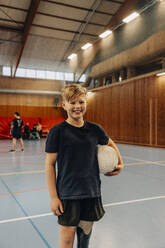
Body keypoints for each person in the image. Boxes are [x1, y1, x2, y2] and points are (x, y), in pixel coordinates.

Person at [45, 84, 124, 248]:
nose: (77, 107)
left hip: (91, 191)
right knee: (67, 238)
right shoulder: (57, 132)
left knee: (85, 235)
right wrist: (54, 197)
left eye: (81, 102)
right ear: (64, 105)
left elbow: (109, 142)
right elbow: (50, 164)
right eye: (72, 103)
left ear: (86, 103)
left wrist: (120, 162)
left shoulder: (95, 130)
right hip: (68, 193)